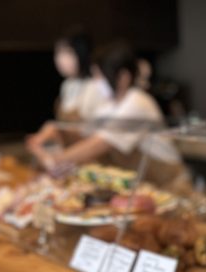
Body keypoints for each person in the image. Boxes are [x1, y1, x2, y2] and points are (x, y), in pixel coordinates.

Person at [28, 42, 186, 188]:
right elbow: (85, 133)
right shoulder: (108, 106)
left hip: (170, 186)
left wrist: (54, 160)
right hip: (143, 187)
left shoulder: (137, 101)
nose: (96, 83)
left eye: (100, 76)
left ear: (123, 77)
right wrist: (55, 130)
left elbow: (98, 144)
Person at [26, 28, 111, 149]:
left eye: (67, 53)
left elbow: (99, 134)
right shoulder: (67, 85)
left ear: (82, 53)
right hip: (67, 152)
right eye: (58, 53)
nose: (60, 59)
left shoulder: (95, 86)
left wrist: (55, 130)